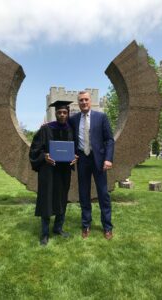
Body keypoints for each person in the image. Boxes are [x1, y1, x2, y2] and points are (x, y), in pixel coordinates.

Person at [29, 100, 77, 246]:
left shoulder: (70, 130)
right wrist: (44, 157)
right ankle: (44, 233)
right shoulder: (45, 129)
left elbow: (74, 150)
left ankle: (58, 228)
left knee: (62, 198)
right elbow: (34, 150)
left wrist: (74, 158)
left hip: (63, 171)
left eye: (64, 112)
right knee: (46, 199)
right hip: (48, 171)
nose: (62, 115)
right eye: (59, 112)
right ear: (55, 113)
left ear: (68, 114)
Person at [69, 91, 114, 240]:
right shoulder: (73, 119)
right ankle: (86, 225)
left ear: (90, 101)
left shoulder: (101, 117)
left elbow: (109, 140)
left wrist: (108, 159)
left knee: (103, 194)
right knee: (84, 194)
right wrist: (45, 126)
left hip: (99, 161)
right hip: (82, 159)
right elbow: (64, 130)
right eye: (81, 100)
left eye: (86, 99)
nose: (83, 102)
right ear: (78, 102)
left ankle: (107, 227)